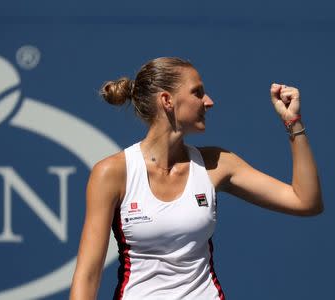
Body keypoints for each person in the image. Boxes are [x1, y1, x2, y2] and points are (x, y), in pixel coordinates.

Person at [70, 57, 323, 300]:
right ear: (167, 100)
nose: (209, 102)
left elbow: (305, 202)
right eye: (198, 92)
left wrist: (293, 123)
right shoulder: (112, 172)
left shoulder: (217, 164)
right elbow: (88, 275)